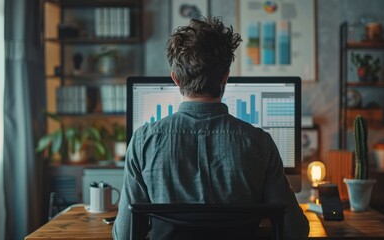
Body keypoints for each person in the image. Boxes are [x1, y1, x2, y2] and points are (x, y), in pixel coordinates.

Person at [113, 17, 309, 239]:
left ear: (175, 79)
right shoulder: (259, 143)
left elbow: (124, 235)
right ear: (225, 77)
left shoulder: (142, 142)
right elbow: (295, 232)